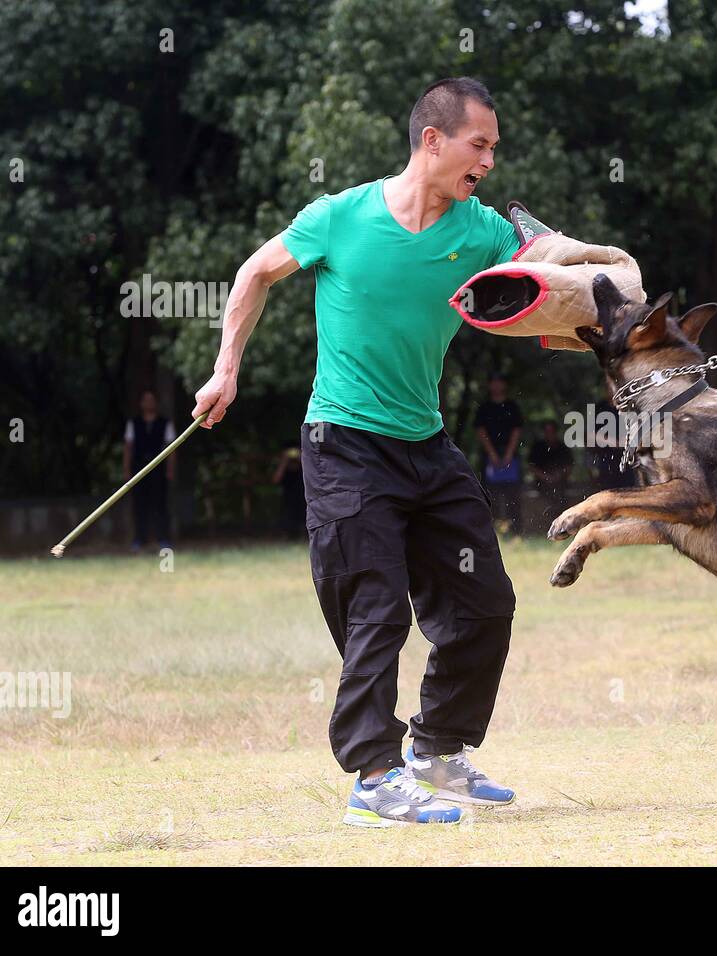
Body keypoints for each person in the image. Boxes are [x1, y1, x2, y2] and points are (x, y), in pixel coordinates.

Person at [190, 76, 518, 827]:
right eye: (480, 145)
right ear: (433, 141)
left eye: (494, 149)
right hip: (344, 443)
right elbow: (254, 273)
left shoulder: (482, 230)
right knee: (375, 607)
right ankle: (373, 777)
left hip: (426, 446)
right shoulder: (339, 217)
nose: (490, 162)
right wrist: (226, 369)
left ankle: (437, 750)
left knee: (484, 600)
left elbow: (546, 269)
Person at [123, 390, 176, 552]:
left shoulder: (165, 423)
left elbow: (171, 447)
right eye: (145, 400)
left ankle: (163, 539)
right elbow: (128, 447)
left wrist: (170, 469)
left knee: (160, 503)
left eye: (151, 400)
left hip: (158, 469)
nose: (148, 403)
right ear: (141, 404)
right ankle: (139, 539)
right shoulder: (134, 423)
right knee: (139, 504)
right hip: (138, 468)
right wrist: (126, 469)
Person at [474, 373, 524, 536]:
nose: (496, 386)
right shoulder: (484, 408)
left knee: (513, 495)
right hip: (489, 456)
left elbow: (517, 430)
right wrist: (492, 454)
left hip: (511, 456)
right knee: (490, 495)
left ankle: (516, 532)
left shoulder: (512, 406)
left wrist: (509, 453)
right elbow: (480, 431)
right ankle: (491, 531)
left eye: (499, 382)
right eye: (493, 382)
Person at [528, 420, 573, 514]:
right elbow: (531, 467)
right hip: (541, 484)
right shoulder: (537, 447)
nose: (549, 434)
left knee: (560, 495)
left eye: (551, 431)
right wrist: (545, 477)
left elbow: (569, 466)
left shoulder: (563, 447)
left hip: (561, 484)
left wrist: (558, 475)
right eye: (547, 431)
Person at [271, 442, 306, 539]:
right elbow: (276, 479)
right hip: (288, 500)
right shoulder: (283, 467)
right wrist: (284, 461)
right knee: (287, 513)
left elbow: (312, 476)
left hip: (303, 499)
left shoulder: (303, 466)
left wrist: (301, 459)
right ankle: (287, 535)